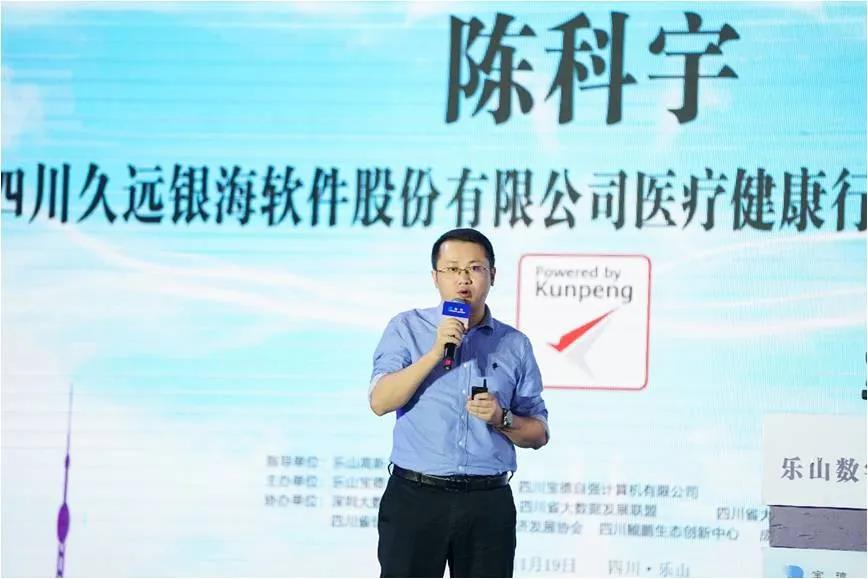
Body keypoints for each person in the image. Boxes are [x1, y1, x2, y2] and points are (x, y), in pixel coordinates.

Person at [369, 228, 550, 578]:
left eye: (474, 268)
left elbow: (539, 433)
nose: (463, 279)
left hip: (487, 503)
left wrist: (502, 418)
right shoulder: (406, 328)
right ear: (435, 277)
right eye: (452, 269)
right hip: (415, 498)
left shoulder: (514, 344)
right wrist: (435, 353)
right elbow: (380, 401)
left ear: (492, 275)